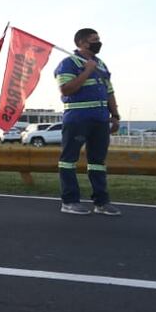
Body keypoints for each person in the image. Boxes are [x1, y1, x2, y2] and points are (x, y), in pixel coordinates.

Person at [54, 28, 121, 215]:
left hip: (100, 119)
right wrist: (87, 71)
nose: (99, 42)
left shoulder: (101, 64)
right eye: (95, 39)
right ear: (82, 43)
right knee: (68, 160)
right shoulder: (68, 63)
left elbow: (109, 92)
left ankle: (101, 202)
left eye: (99, 38)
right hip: (77, 118)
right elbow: (66, 89)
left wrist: (115, 115)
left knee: (97, 161)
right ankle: (69, 201)